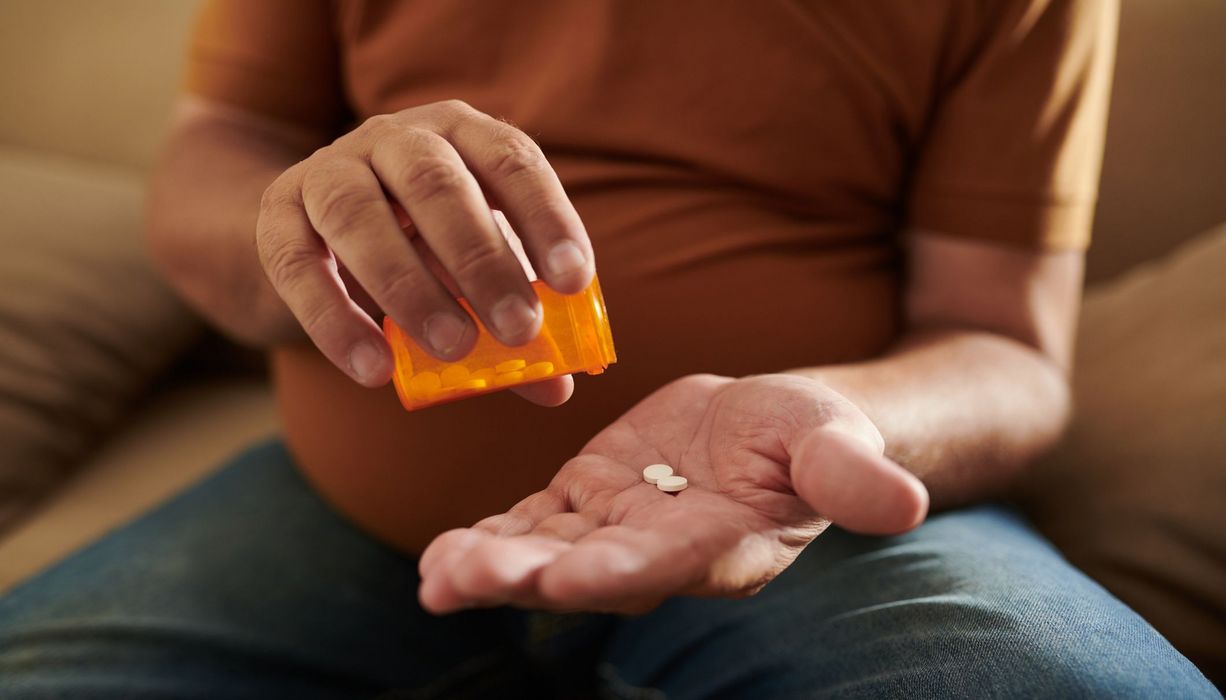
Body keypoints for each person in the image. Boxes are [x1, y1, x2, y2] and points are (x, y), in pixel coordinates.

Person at [0, 0, 1217, 697]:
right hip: (334, 511)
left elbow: (1000, 344)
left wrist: (818, 425)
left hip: (809, 526)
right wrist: (295, 224)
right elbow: (215, 156)